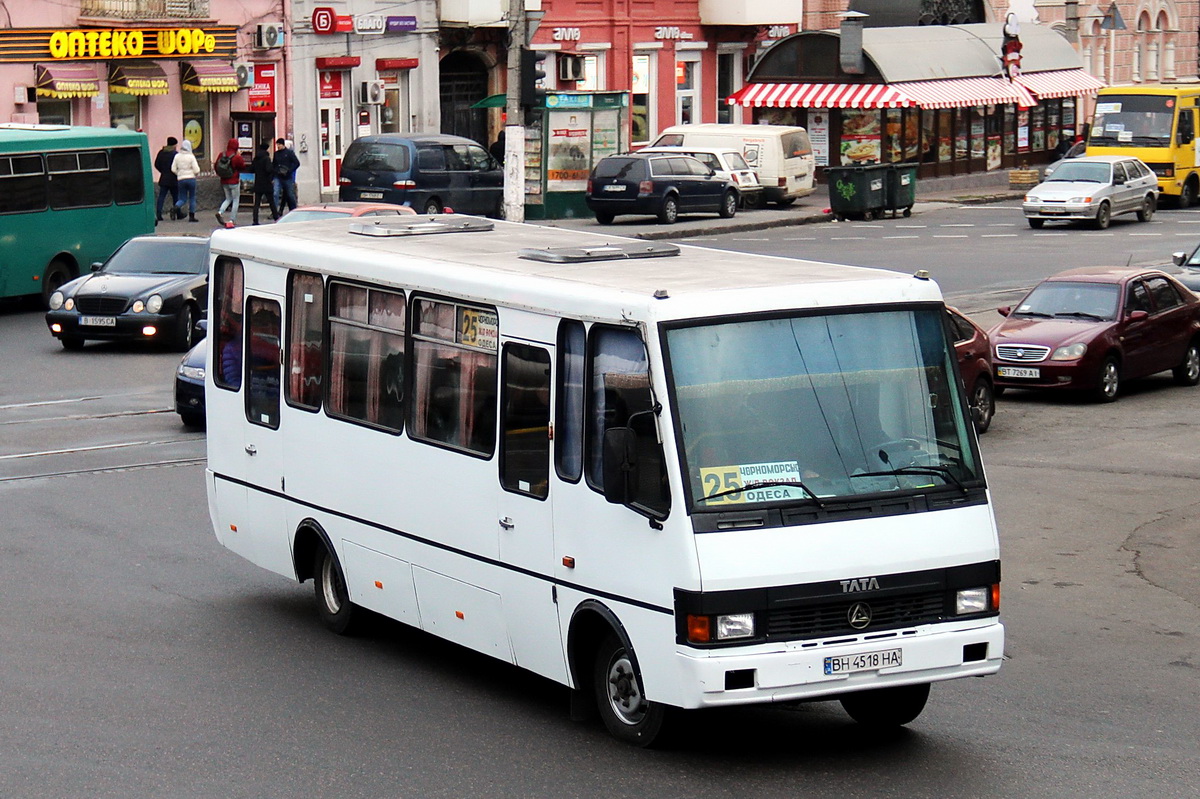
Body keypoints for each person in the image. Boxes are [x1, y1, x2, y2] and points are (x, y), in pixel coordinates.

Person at [215, 138, 246, 229]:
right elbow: (242, 166)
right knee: (236, 200)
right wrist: (239, 156)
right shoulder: (236, 157)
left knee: (228, 198)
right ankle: (232, 219)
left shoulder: (222, 154)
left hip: (224, 180)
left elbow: (216, 165)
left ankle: (220, 212)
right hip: (234, 180)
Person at [249, 139, 279, 224]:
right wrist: (273, 170)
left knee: (256, 204)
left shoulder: (256, 158)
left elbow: (251, 169)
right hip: (266, 183)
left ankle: (255, 220)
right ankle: (276, 218)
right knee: (271, 202)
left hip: (258, 182)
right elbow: (269, 169)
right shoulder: (266, 158)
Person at [171, 139, 201, 223]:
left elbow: (173, 169)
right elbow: (196, 170)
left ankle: (175, 208)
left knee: (182, 198)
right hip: (191, 179)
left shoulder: (177, 156)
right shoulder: (191, 156)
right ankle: (192, 216)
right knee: (192, 197)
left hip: (181, 179)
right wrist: (195, 174)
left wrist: (179, 174)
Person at [272, 137, 300, 214]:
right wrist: (275, 172)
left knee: (290, 194)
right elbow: (274, 164)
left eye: (279, 144)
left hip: (287, 177)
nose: (278, 146)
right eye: (277, 144)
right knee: (275, 193)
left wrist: (289, 170)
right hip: (278, 176)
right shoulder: (276, 154)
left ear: (283, 144)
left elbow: (297, 163)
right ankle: (274, 211)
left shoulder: (289, 153)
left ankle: (294, 210)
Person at [153, 137, 179, 223]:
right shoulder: (175, 154)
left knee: (161, 197)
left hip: (164, 178)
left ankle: (159, 213)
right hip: (173, 178)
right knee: (175, 196)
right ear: (174, 145)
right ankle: (177, 213)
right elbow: (177, 166)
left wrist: (163, 171)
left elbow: (156, 164)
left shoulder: (161, 152)